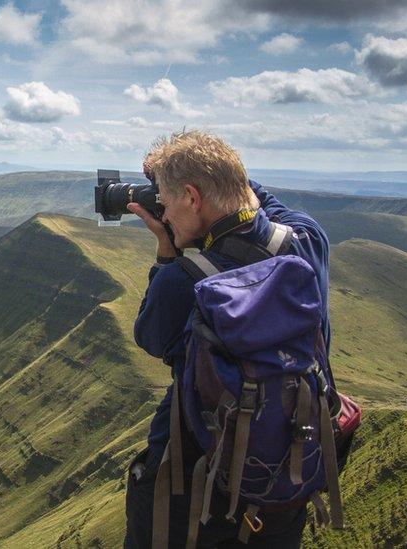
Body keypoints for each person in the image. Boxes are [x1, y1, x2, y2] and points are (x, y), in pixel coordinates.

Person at [122, 130, 331, 548]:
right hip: (285, 481)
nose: (162, 212)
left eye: (164, 201)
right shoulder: (305, 241)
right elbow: (252, 198)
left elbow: (151, 336)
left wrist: (166, 254)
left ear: (193, 199)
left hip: (195, 490)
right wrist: (206, 170)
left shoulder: (182, 282)